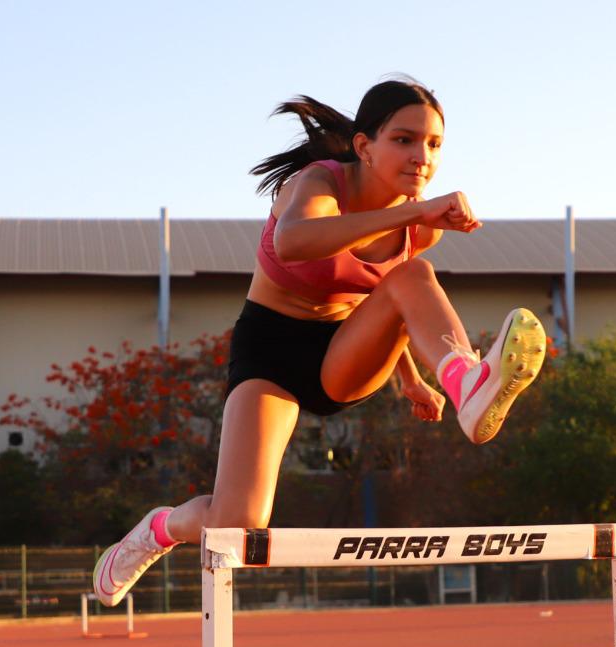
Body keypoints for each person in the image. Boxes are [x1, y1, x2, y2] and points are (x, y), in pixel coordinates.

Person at [93, 78, 547, 605]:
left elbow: (390, 301)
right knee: (238, 526)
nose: (421, 156)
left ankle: (464, 378)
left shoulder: (420, 228)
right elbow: (293, 244)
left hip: (341, 353)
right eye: (403, 139)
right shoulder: (319, 183)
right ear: (363, 146)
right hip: (271, 351)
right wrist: (413, 211)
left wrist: (413, 380)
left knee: (413, 274)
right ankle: (160, 529)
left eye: (434, 144)